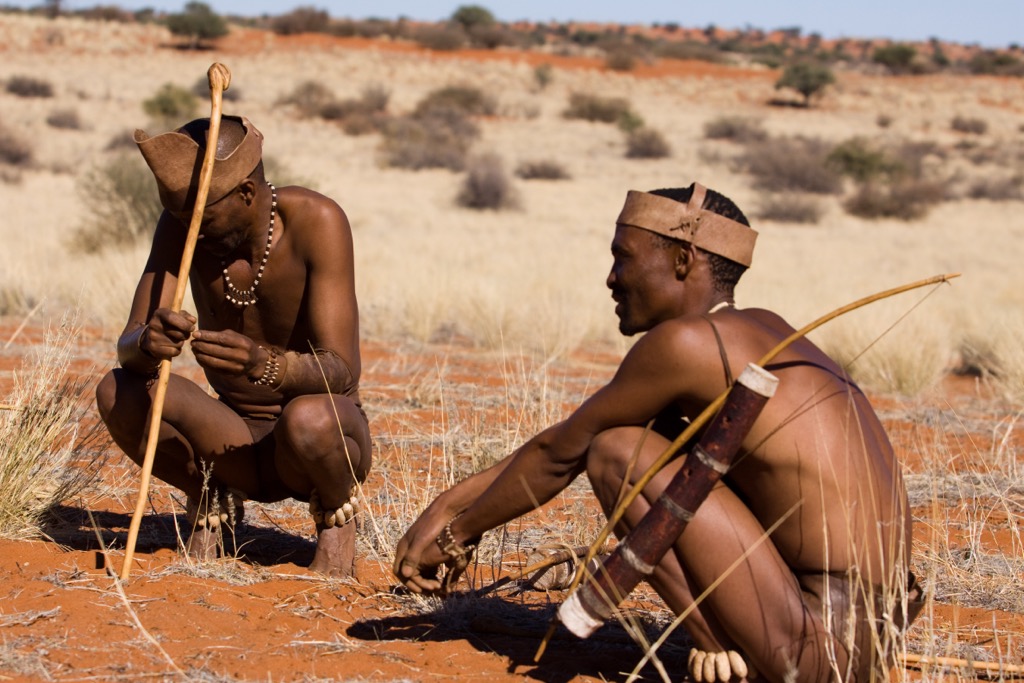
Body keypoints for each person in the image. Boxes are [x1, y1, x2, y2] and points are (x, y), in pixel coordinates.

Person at [393, 183, 919, 682]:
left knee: (617, 453)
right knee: (630, 439)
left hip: (814, 652)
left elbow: (566, 452)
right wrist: (450, 503)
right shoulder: (760, 328)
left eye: (623, 256)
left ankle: (726, 652)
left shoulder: (688, 343)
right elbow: (564, 440)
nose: (611, 278)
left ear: (682, 260)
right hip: (869, 641)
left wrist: (454, 532)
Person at [96, 115, 371, 578]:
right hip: (229, 440)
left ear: (247, 193)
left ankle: (337, 515)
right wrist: (148, 343)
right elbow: (128, 346)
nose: (191, 230)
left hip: (315, 441)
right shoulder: (181, 224)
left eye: (202, 217)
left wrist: (266, 366)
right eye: (182, 217)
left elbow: (342, 369)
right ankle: (210, 493)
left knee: (309, 419)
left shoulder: (317, 221)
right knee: (116, 392)